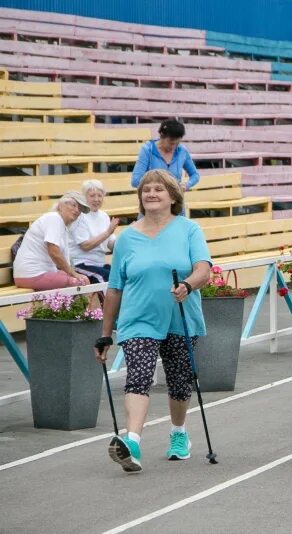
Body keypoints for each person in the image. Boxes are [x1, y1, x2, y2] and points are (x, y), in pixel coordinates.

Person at [94, 169, 211, 473]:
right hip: (138, 319)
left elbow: (203, 269)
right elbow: (115, 287)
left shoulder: (189, 229)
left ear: (173, 197)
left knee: (179, 382)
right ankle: (132, 443)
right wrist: (106, 334)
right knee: (138, 377)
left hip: (179, 316)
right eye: (146, 190)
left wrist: (187, 285)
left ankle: (179, 433)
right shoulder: (127, 238)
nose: (151, 194)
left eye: (159, 189)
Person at [13, 191, 92, 290]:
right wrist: (73, 274)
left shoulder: (63, 226)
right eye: (74, 205)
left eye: (80, 208)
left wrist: (74, 274)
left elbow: (64, 259)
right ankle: (89, 306)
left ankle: (86, 306)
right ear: (61, 205)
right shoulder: (54, 218)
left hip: (38, 273)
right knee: (79, 282)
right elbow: (54, 252)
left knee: (84, 279)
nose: (77, 210)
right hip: (32, 274)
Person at [69, 179, 119, 283]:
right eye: (92, 196)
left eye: (100, 196)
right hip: (80, 263)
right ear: (84, 197)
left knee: (119, 275)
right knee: (105, 278)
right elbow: (85, 246)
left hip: (98, 263)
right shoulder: (80, 215)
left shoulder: (104, 215)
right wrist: (108, 232)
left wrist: (128, 236)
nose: (96, 199)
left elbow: (111, 244)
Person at [131, 119, 200, 192]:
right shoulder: (147, 150)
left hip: (175, 199)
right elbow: (135, 181)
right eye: (171, 143)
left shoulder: (182, 150)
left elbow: (195, 175)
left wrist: (186, 185)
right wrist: (159, 188)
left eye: (178, 143)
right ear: (162, 137)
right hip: (153, 198)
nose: (175, 147)